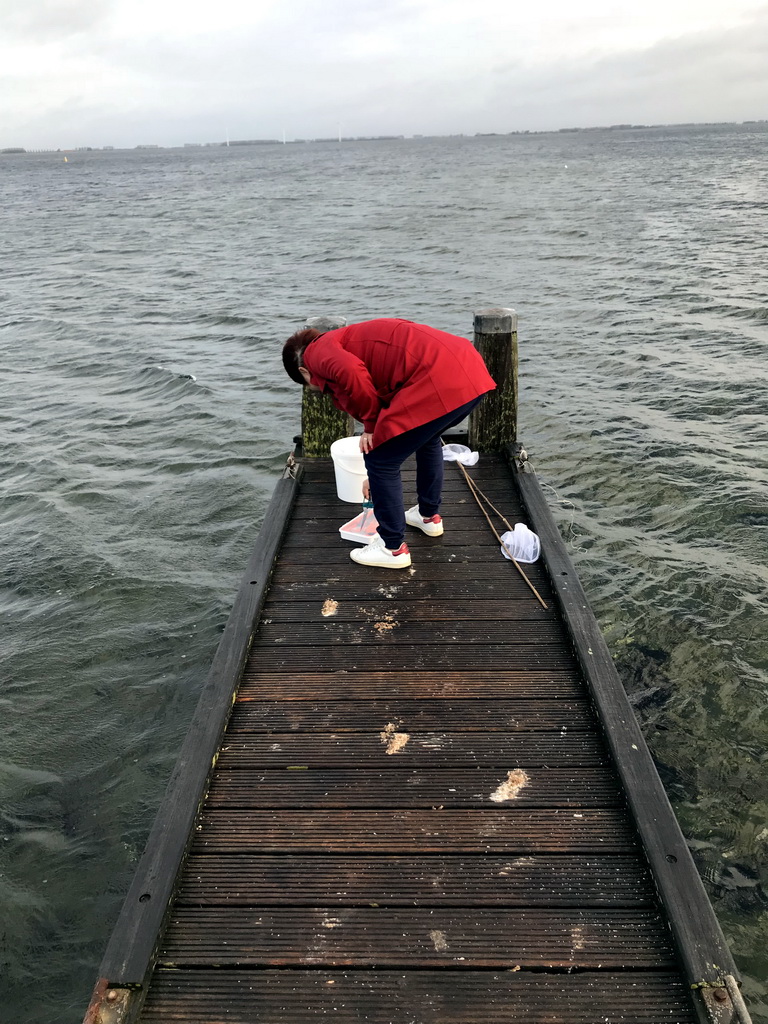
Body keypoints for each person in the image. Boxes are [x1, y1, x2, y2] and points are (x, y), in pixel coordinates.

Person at [282, 318, 496, 569]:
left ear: (303, 372)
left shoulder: (318, 353)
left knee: (380, 460)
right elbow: (376, 379)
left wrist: (372, 427)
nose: (319, 389)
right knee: (427, 440)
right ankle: (428, 517)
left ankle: (392, 549)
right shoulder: (344, 339)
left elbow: (351, 372)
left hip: (439, 378)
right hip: (470, 372)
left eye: (312, 387)